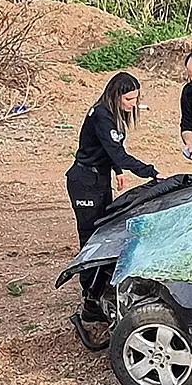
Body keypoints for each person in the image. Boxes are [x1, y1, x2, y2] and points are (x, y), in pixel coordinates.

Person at [66, 71, 159, 321]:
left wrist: (117, 171)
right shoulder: (101, 116)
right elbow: (117, 153)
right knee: (90, 237)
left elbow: (109, 150)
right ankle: (89, 301)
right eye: (129, 100)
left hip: (99, 178)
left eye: (136, 99)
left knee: (104, 231)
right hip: (85, 182)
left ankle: (98, 290)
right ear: (116, 96)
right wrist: (148, 171)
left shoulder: (110, 114)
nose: (133, 105)